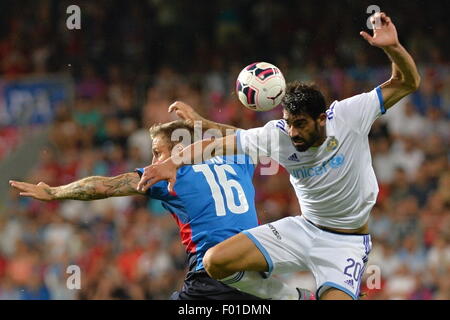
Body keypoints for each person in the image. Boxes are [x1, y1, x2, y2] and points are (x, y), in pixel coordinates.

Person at [136, 12, 421, 300]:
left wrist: (393, 47)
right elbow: (215, 146)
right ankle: (292, 298)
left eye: (300, 124)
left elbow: (407, 82)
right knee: (215, 262)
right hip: (303, 230)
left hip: (345, 243)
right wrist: (174, 161)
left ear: (321, 119)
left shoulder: (350, 115)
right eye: (288, 123)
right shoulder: (278, 135)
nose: (293, 132)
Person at [10, 118, 311, 300]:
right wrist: (205, 125)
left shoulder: (172, 174)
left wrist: (54, 192)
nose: (154, 162)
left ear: (179, 150)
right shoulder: (236, 161)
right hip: (254, 270)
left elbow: (104, 186)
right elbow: (246, 137)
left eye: (158, 153)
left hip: (212, 277)